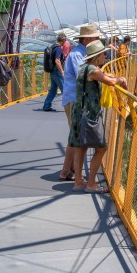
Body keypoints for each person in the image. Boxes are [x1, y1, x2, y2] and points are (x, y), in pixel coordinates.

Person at [70, 40, 128, 192]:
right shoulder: (93, 71)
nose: (106, 56)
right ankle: (91, 184)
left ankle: (78, 182)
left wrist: (106, 74)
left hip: (79, 111)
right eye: (104, 54)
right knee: (102, 148)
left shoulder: (84, 68)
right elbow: (109, 81)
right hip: (90, 113)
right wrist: (121, 80)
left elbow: (100, 75)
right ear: (98, 56)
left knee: (81, 147)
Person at [59, 36, 85, 181]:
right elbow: (81, 76)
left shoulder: (80, 53)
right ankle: (67, 170)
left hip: (75, 99)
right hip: (74, 100)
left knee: (76, 136)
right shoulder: (77, 54)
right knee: (76, 137)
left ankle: (70, 169)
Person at [41, 33, 68, 112]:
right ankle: (69, 107)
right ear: (63, 40)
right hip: (57, 71)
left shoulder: (52, 47)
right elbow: (57, 60)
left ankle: (46, 105)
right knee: (65, 88)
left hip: (52, 71)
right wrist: (62, 71)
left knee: (53, 89)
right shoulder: (58, 48)